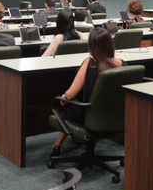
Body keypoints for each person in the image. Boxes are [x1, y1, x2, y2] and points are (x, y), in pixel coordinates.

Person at [48, 27, 126, 158]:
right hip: (114, 116)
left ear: (92, 46)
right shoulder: (122, 64)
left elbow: (70, 95)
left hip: (87, 116)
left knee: (65, 102)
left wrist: (64, 96)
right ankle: (60, 143)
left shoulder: (89, 63)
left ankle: (57, 144)